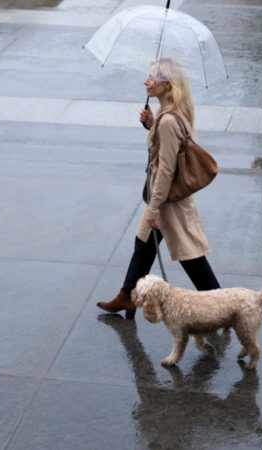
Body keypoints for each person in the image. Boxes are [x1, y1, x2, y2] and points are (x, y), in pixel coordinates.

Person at [97, 58, 220, 320]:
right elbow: (169, 149)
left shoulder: (168, 121)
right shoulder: (170, 115)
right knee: (143, 243)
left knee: (190, 255)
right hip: (164, 197)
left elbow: (166, 169)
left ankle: (219, 304)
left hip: (167, 200)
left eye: (152, 77)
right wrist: (150, 124)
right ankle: (128, 295)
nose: (146, 81)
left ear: (167, 84)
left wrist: (154, 208)